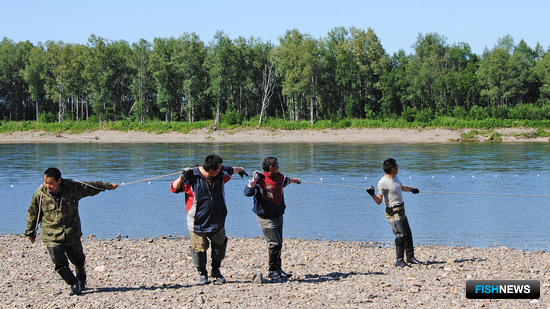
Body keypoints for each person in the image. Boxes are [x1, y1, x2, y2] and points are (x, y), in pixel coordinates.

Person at [24, 167, 118, 295]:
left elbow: (90, 187)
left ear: (59, 181)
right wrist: (30, 232)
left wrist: (107, 186)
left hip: (71, 232)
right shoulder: (40, 195)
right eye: (46, 183)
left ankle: (81, 278)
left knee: (78, 259)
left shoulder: (72, 188)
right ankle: (73, 283)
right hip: (52, 234)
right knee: (59, 263)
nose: (48, 186)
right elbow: (33, 213)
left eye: (51, 183)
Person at [170, 154, 247, 285]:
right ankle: (202, 273)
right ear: (211, 170)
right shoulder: (191, 176)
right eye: (219, 168)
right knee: (199, 249)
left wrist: (241, 169)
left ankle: (216, 270)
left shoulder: (220, 172)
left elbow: (231, 169)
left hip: (217, 219)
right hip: (197, 221)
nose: (222, 169)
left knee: (220, 245)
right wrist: (181, 176)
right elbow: (173, 188)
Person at [243, 157, 301, 281]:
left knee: (279, 243)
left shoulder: (280, 177)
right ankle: (272, 271)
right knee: (275, 243)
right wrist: (254, 180)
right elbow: (247, 192)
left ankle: (279, 270)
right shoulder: (260, 181)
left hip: (278, 215)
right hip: (265, 217)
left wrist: (296, 180)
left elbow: (286, 181)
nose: (278, 167)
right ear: (270, 168)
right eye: (277, 165)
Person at [366, 158, 422, 267]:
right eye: (396, 166)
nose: (398, 168)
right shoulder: (382, 182)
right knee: (400, 235)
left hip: (401, 211)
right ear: (392, 169)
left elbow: (401, 188)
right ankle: (399, 260)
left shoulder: (395, 178)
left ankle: (410, 257)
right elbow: (379, 201)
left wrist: (412, 189)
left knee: (408, 235)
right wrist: (372, 194)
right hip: (392, 213)